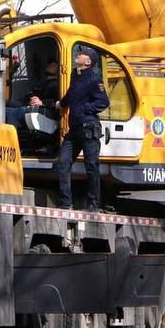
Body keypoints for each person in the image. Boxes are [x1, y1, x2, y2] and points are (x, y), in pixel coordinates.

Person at [55, 50, 109, 210]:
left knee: (91, 166)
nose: (78, 54)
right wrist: (60, 104)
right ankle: (65, 203)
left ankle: (94, 204)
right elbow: (72, 94)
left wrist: (85, 108)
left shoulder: (94, 79)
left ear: (88, 62)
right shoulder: (75, 75)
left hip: (88, 128)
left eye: (82, 53)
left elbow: (103, 101)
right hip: (74, 129)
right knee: (63, 163)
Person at [5, 61, 61, 130]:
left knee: (10, 112)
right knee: (7, 103)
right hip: (29, 102)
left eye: (53, 65)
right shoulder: (45, 82)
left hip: (44, 108)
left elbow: (57, 101)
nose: (50, 65)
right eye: (50, 64)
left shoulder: (57, 85)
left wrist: (42, 102)